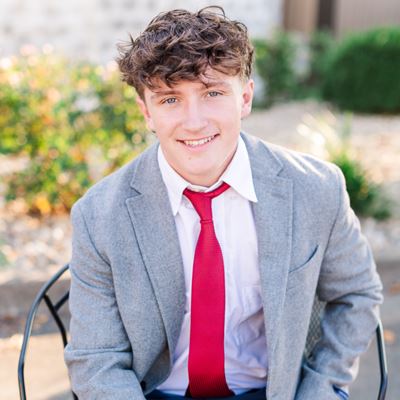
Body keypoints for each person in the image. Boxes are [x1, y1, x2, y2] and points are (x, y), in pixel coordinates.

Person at [64, 6, 383, 400]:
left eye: (212, 93)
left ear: (244, 98)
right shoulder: (99, 215)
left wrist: (321, 387)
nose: (194, 121)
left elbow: (356, 295)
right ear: (146, 111)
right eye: (170, 100)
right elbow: (97, 358)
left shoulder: (315, 189)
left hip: (272, 392)